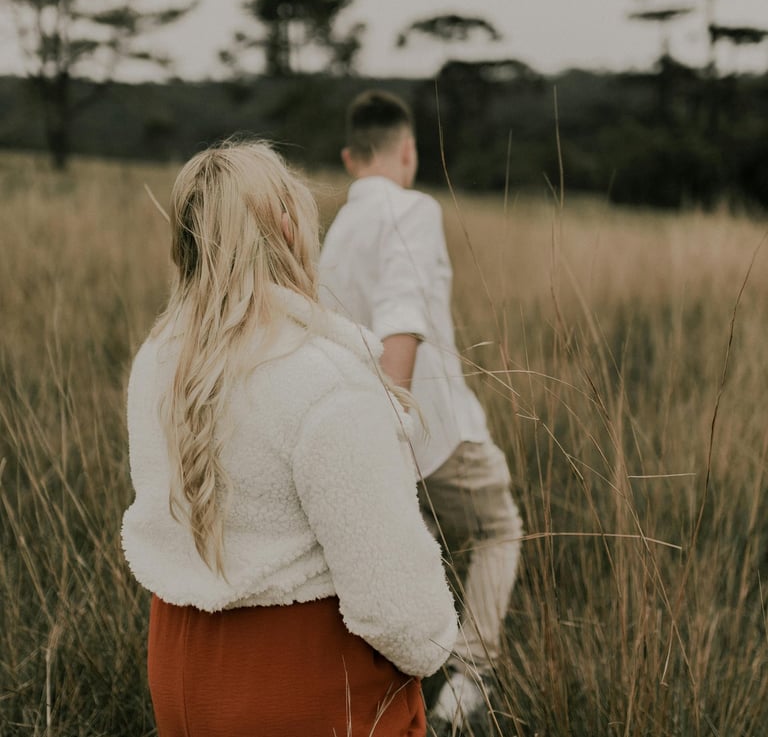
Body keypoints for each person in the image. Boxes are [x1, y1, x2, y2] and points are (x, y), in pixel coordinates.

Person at [121, 140, 458, 737]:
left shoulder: (158, 358)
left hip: (177, 670)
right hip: (306, 685)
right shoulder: (324, 379)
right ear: (285, 227)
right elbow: (396, 607)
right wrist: (433, 644)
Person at [318, 90, 524, 727]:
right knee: (498, 528)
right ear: (407, 152)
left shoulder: (334, 236)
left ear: (352, 157)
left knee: (410, 555)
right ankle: (467, 685)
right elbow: (402, 320)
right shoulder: (414, 208)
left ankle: (391, 697)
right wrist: (395, 441)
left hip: (354, 433)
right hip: (428, 430)